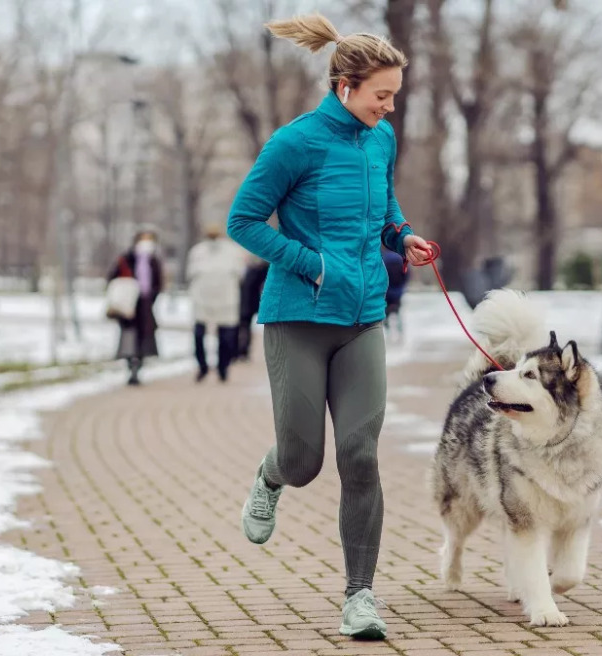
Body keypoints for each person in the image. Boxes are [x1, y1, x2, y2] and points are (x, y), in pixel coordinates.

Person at [225, 13, 432, 641]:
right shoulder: (294, 143)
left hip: (365, 316)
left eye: (394, 95)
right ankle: (271, 474)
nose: (390, 107)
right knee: (305, 458)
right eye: (382, 94)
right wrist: (312, 264)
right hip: (299, 318)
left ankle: (360, 597)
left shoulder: (380, 140)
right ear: (345, 85)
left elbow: (384, 204)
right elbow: (244, 221)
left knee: (360, 456)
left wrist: (402, 234)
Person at [186, 223, 247, 382]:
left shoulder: (233, 251)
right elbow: (190, 273)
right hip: (202, 297)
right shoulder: (197, 251)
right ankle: (203, 366)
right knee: (199, 334)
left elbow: (240, 274)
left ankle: (223, 367)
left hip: (226, 297)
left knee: (226, 336)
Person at [106, 228, 164, 386]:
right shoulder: (126, 259)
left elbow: (158, 283)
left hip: (145, 305)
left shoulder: (153, 261)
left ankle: (138, 367)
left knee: (144, 338)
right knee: (129, 338)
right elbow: (112, 278)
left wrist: (152, 297)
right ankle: (131, 367)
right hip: (128, 307)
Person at [236, 255, 270, 362]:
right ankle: (239, 351)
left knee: (244, 326)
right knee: (240, 327)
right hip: (241, 303)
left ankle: (243, 351)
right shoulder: (247, 271)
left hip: (248, 304)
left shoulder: (259, 270)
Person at [381, 247, 408, 342]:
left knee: (386, 312)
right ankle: (400, 332)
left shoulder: (384, 258)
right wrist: (402, 287)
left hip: (386, 291)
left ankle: (387, 331)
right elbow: (406, 274)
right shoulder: (401, 259)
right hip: (398, 291)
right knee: (398, 312)